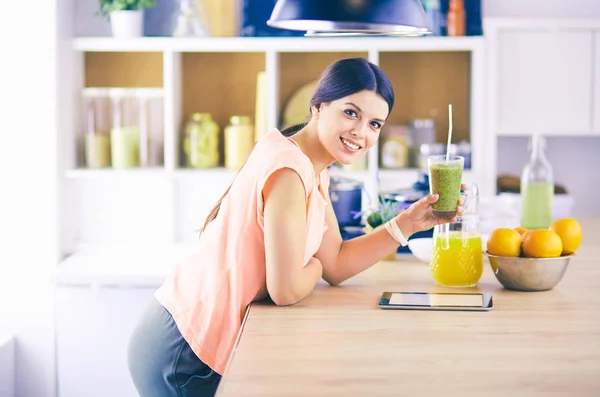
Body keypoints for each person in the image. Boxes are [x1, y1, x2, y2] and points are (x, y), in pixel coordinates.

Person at [127, 57, 463, 397]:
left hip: (183, 331)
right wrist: (312, 266)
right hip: (184, 350)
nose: (361, 132)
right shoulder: (289, 169)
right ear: (318, 106)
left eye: (375, 124)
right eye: (351, 113)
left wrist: (408, 223)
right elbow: (285, 289)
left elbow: (336, 263)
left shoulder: (311, 167)